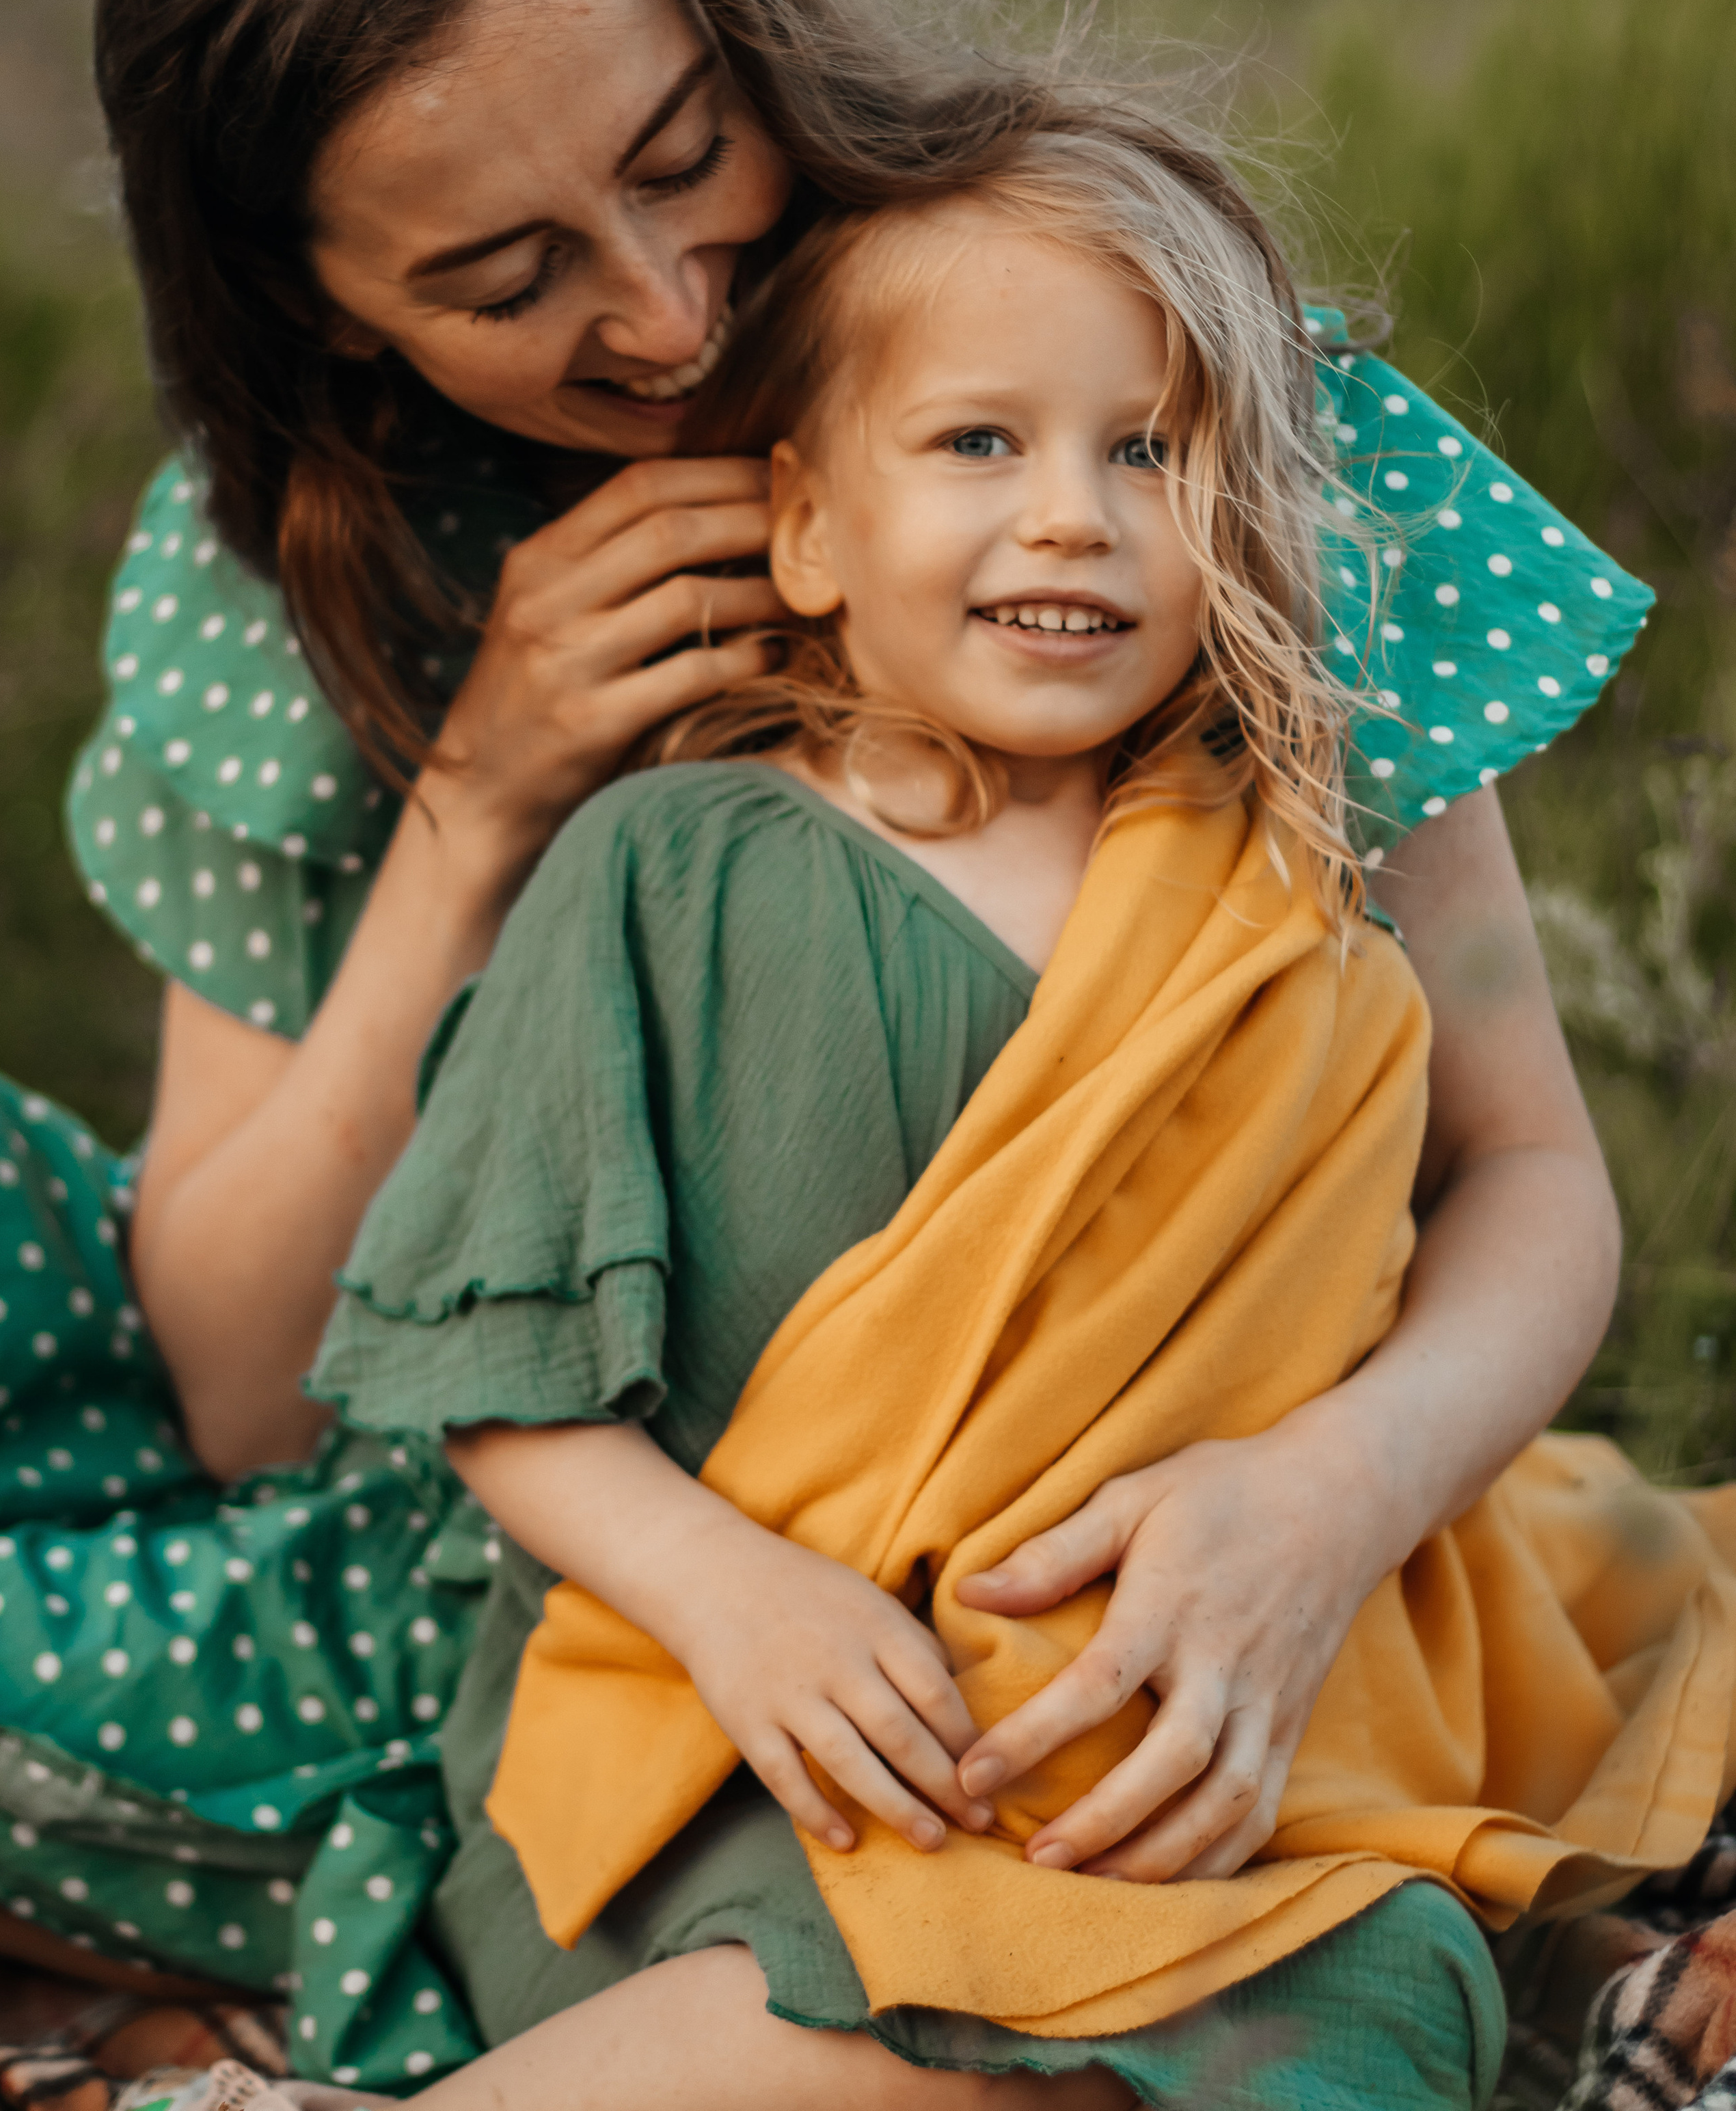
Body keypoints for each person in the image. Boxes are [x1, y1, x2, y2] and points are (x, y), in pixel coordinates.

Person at [0, 0, 1641, 2095]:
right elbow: (243, 1395)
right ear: (327, 299)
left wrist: (1331, 1500)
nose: (664, 318)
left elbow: (1528, 1161)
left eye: (686, 155)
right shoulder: (293, 581)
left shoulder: (1148, 395)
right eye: (502, 273)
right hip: (535, 1554)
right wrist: (477, 811)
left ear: (757, 29)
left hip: (1138, 1532)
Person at [306, 130, 1735, 2111]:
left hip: (1185, 1724)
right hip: (771, 1748)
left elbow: (1523, 1188)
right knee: (1089, 2002)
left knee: (1375, 1982)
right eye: (979, 444)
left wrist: (1334, 1491)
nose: (1072, 517)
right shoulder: (669, 868)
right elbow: (493, 1371)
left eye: (1153, 453)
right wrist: (742, 1606)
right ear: (804, 525)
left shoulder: (1307, 847)